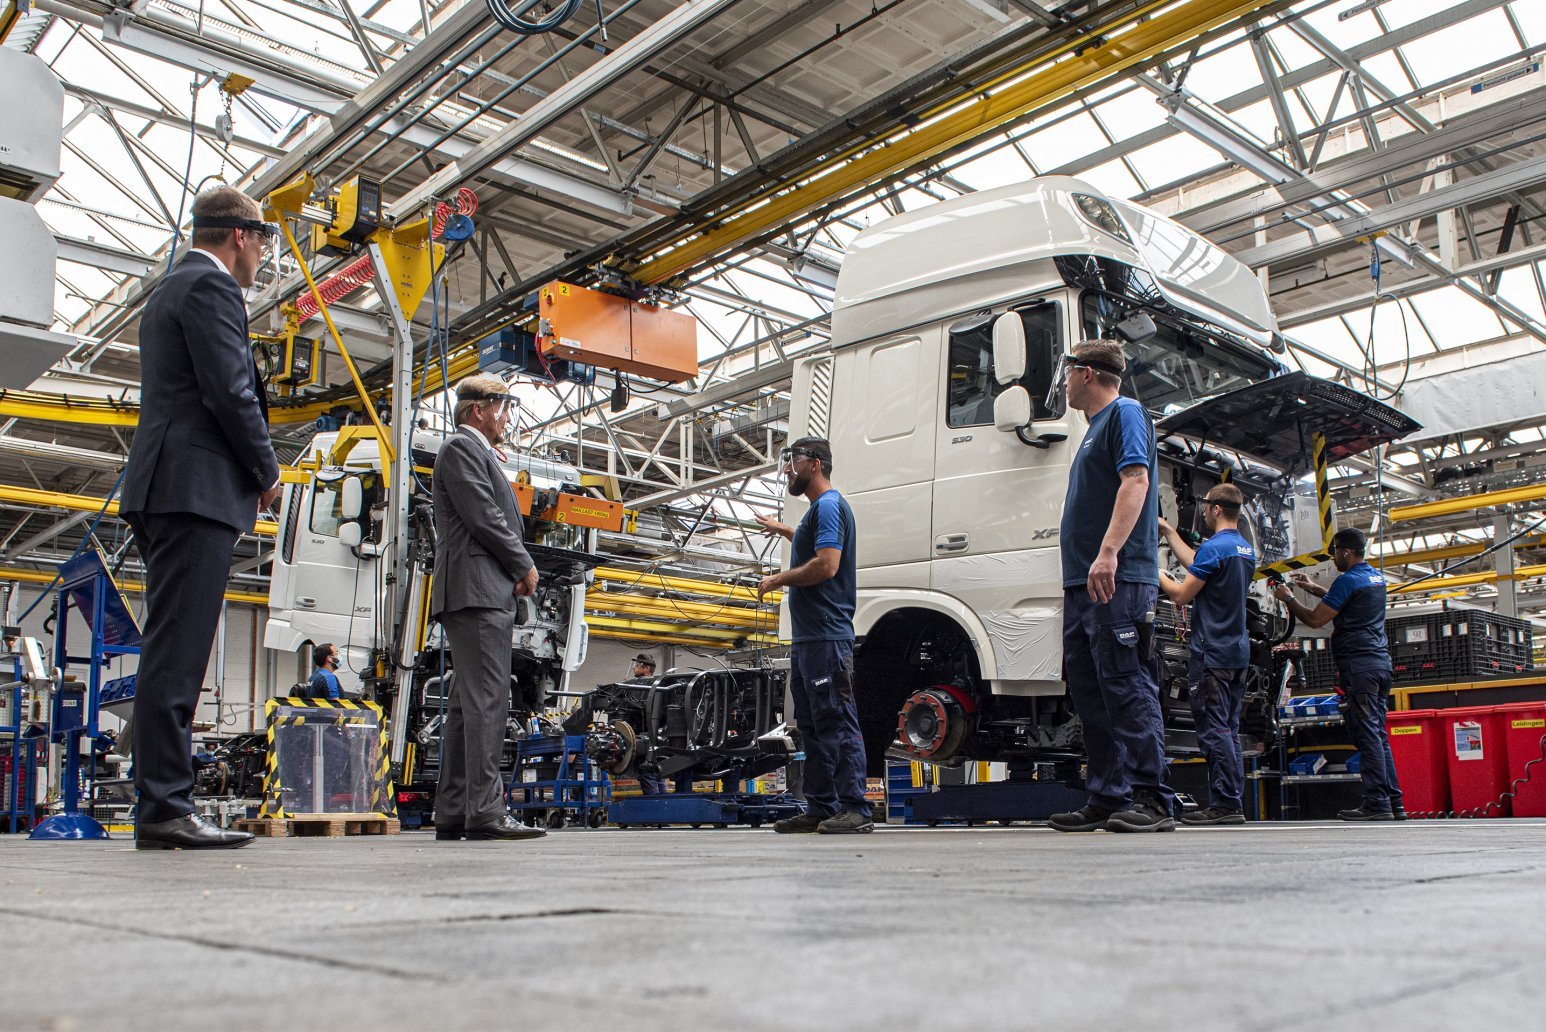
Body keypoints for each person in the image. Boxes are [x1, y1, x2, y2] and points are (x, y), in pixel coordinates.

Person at [121, 186, 280, 851]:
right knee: (178, 652)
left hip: (171, 484)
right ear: (240, 236)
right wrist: (266, 470)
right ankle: (164, 806)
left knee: (172, 646)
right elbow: (229, 390)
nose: (263, 257)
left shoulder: (172, 288)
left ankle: (163, 800)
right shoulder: (212, 290)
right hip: (193, 488)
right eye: (263, 242)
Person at [1049, 340, 1178, 833]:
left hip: (1116, 578)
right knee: (1091, 693)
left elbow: (1136, 483)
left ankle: (1153, 798)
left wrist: (1108, 553)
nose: (1063, 385)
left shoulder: (1125, 413)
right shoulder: (1093, 429)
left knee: (1126, 686)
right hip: (1083, 584)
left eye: (1066, 375)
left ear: (1084, 373)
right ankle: (1108, 794)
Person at [429, 374, 545, 842]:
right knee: (488, 703)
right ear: (480, 409)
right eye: (504, 407)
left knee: (465, 706)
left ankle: (455, 810)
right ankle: (486, 811)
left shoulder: (475, 453)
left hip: (476, 590)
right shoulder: (462, 449)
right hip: (478, 590)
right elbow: (485, 515)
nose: (508, 418)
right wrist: (524, 564)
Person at [756, 437, 872, 834]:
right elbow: (813, 544)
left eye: (794, 461)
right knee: (812, 726)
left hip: (825, 635)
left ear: (816, 464)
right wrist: (785, 530)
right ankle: (821, 807)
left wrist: (778, 578)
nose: (788, 469)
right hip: (809, 639)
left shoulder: (829, 506)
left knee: (836, 721)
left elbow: (826, 565)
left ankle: (856, 808)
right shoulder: (817, 511)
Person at [1273, 528, 1404, 821]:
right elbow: (1348, 601)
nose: (1334, 560)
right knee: (1379, 736)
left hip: (1359, 666)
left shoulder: (1347, 580)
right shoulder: (1375, 577)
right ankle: (1394, 802)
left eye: (1335, 554)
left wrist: (1288, 598)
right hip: (1380, 665)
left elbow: (1317, 620)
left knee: (1367, 735)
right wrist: (1313, 589)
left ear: (1345, 552)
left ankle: (1376, 804)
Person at [1158, 484, 1256, 826]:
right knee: (1228, 729)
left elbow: (1182, 596)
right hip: (1236, 653)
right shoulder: (1242, 548)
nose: (1201, 512)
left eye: (1205, 507)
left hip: (1212, 653)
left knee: (1215, 731)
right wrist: (1170, 532)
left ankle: (1225, 803)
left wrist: (1157, 575)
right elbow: (1201, 564)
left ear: (1215, 509)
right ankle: (1231, 801)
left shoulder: (1216, 548)